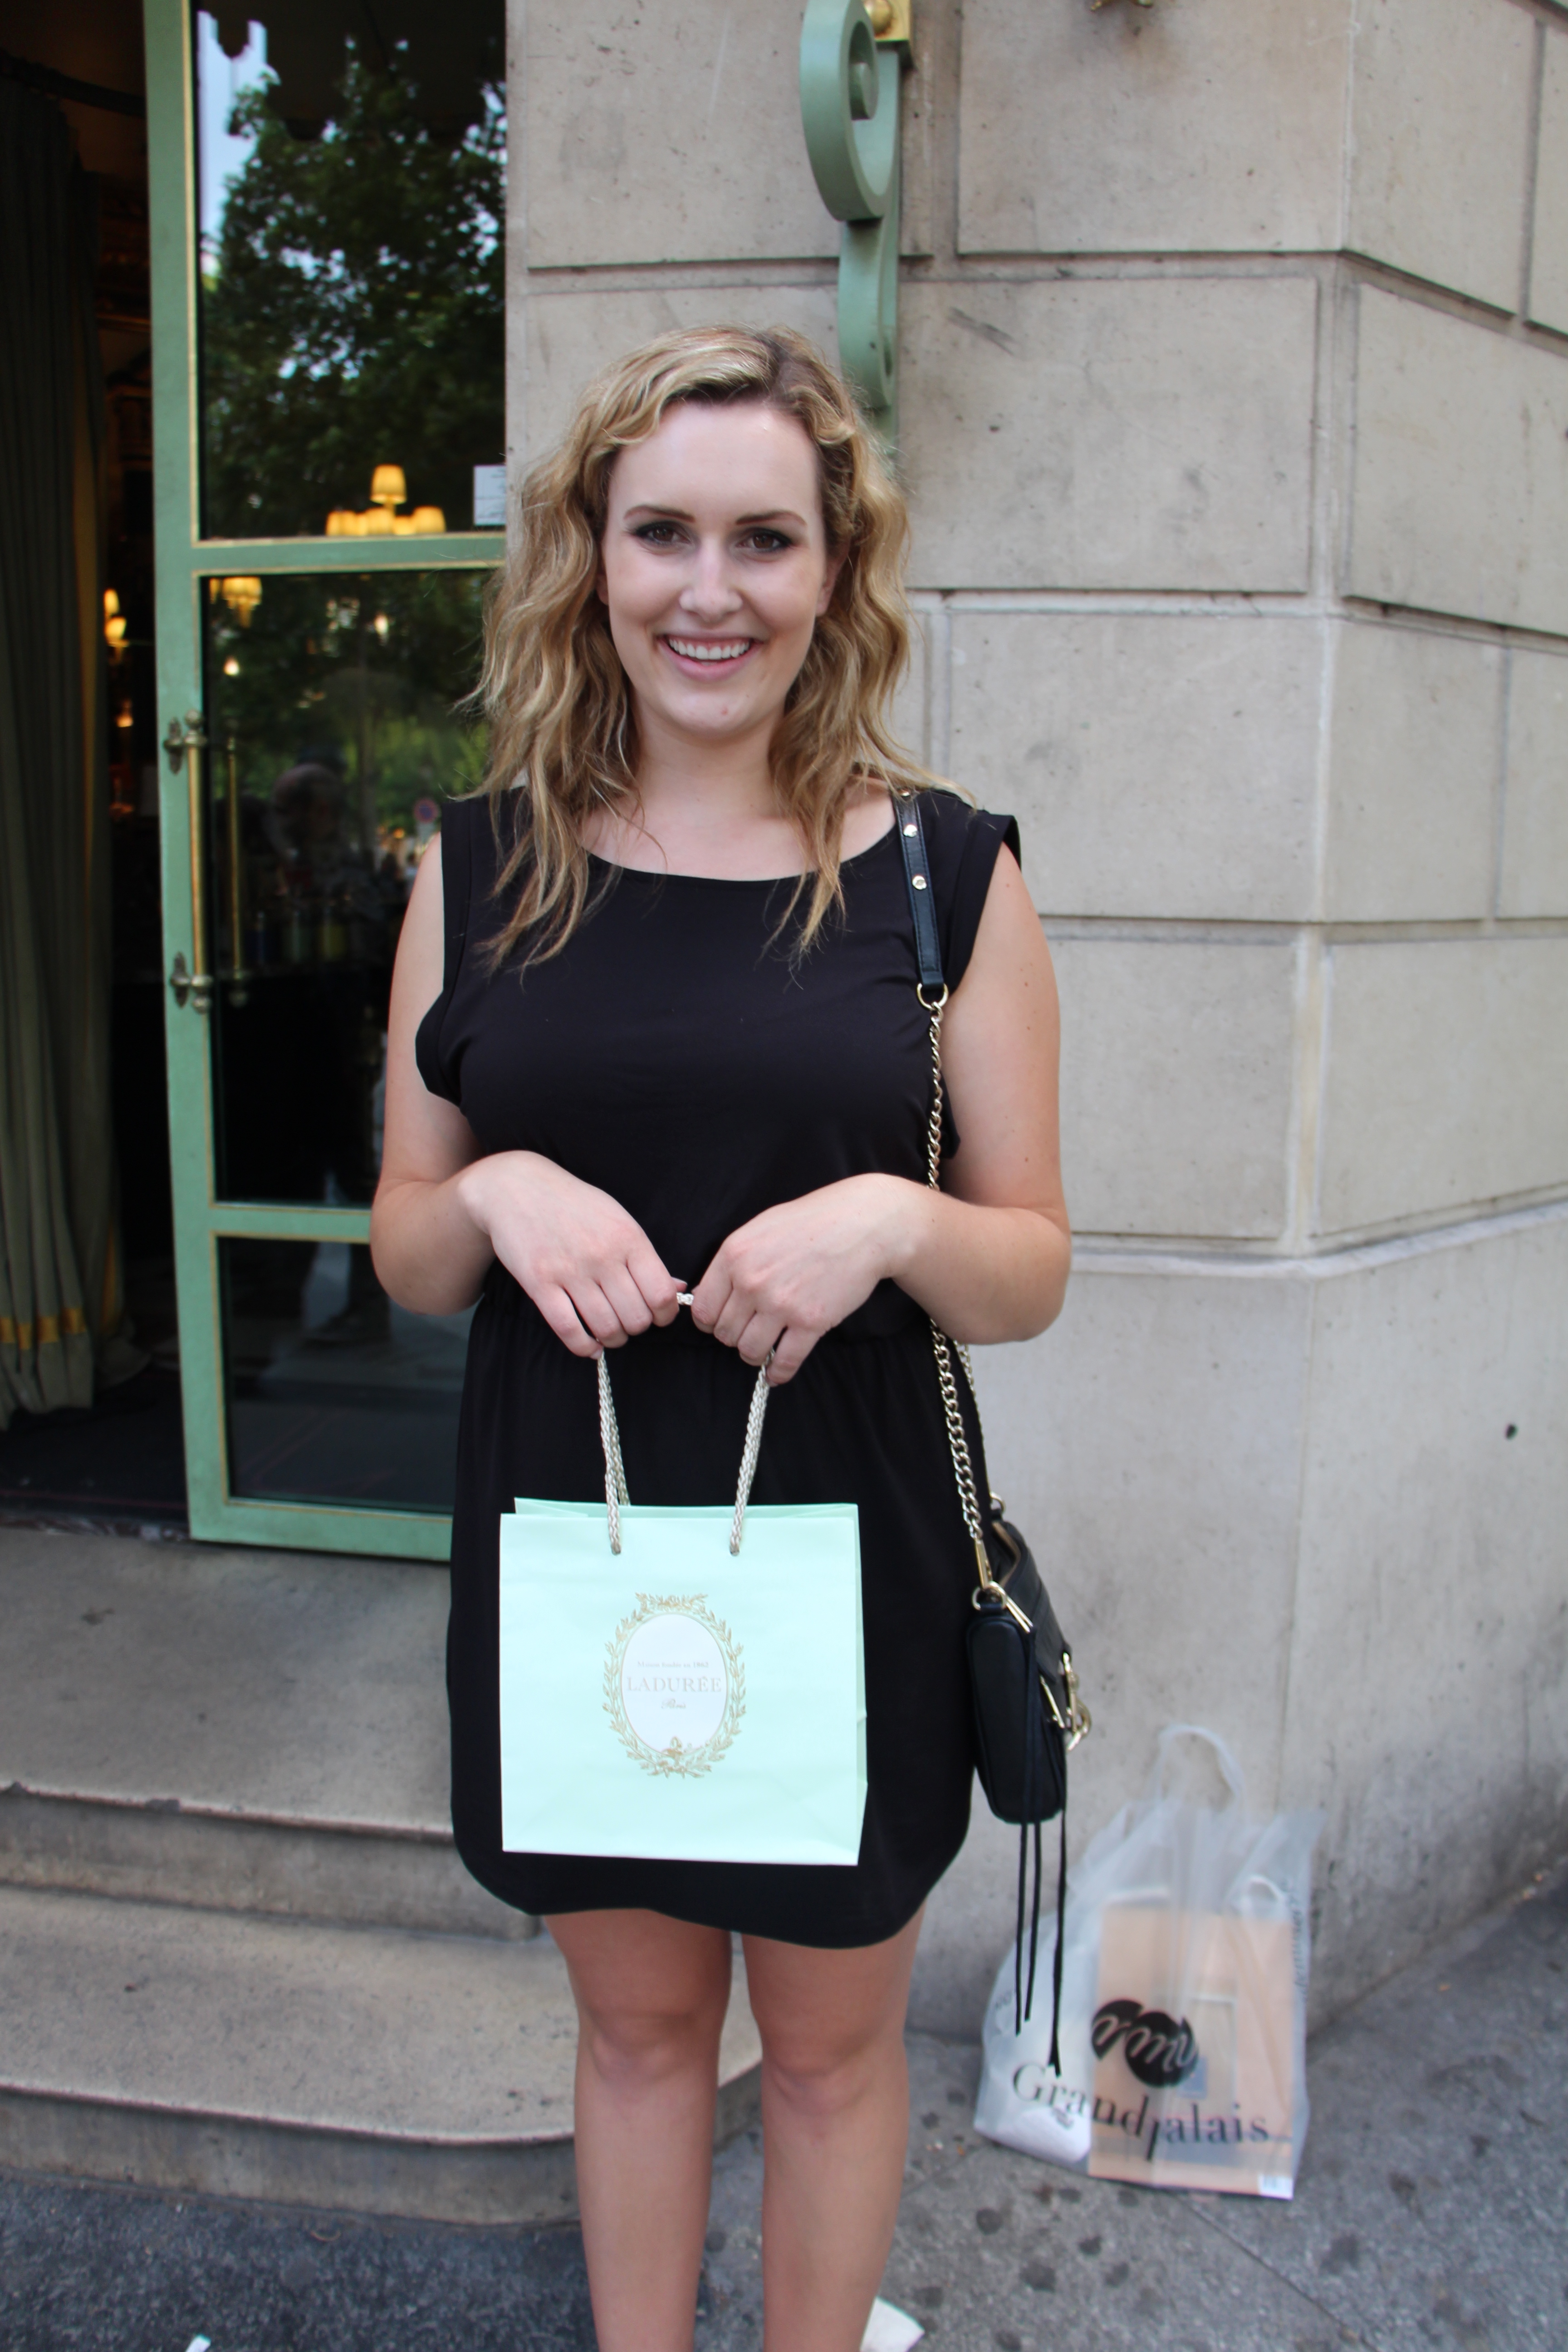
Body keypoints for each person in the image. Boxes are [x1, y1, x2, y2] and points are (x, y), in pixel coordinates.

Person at [370, 326, 1070, 2352]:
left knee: (833, 2058)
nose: (710, 589)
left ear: (836, 571)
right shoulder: (479, 867)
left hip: (853, 1557)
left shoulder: (946, 875)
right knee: (638, 2036)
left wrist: (893, 1218)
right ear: (590, 556)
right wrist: (497, 1192)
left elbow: (1029, 1266)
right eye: (661, 531)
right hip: (575, 1549)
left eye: (765, 538)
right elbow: (410, 1247)